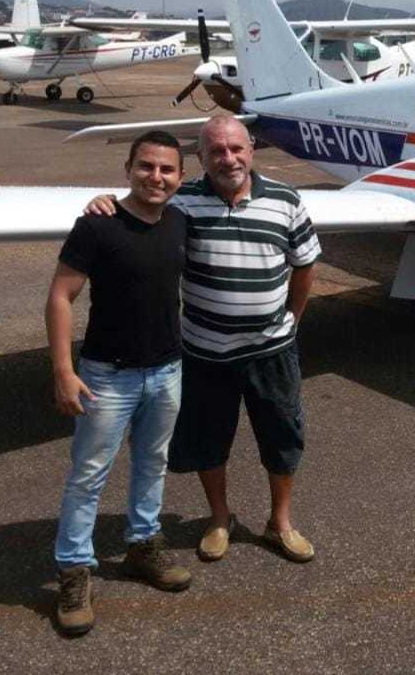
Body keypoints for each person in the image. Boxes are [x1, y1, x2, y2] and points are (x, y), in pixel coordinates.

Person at [87, 115, 320, 565]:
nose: (227, 158)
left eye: (236, 149)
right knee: (208, 441)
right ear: (200, 158)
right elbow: (139, 212)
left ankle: (280, 523)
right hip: (204, 353)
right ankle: (219, 519)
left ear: (251, 150)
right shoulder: (183, 203)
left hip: (272, 352)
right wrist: (104, 203)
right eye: (216, 151)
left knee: (283, 437)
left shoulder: (287, 200)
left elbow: (305, 262)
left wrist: (293, 317)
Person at [48, 130, 192, 637]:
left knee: (153, 463)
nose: (156, 177)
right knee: (89, 476)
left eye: (167, 170)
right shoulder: (97, 224)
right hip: (107, 376)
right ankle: (73, 569)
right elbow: (61, 296)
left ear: (180, 176)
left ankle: (142, 544)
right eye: (146, 167)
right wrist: (65, 371)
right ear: (128, 169)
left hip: (167, 369)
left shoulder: (178, 219)